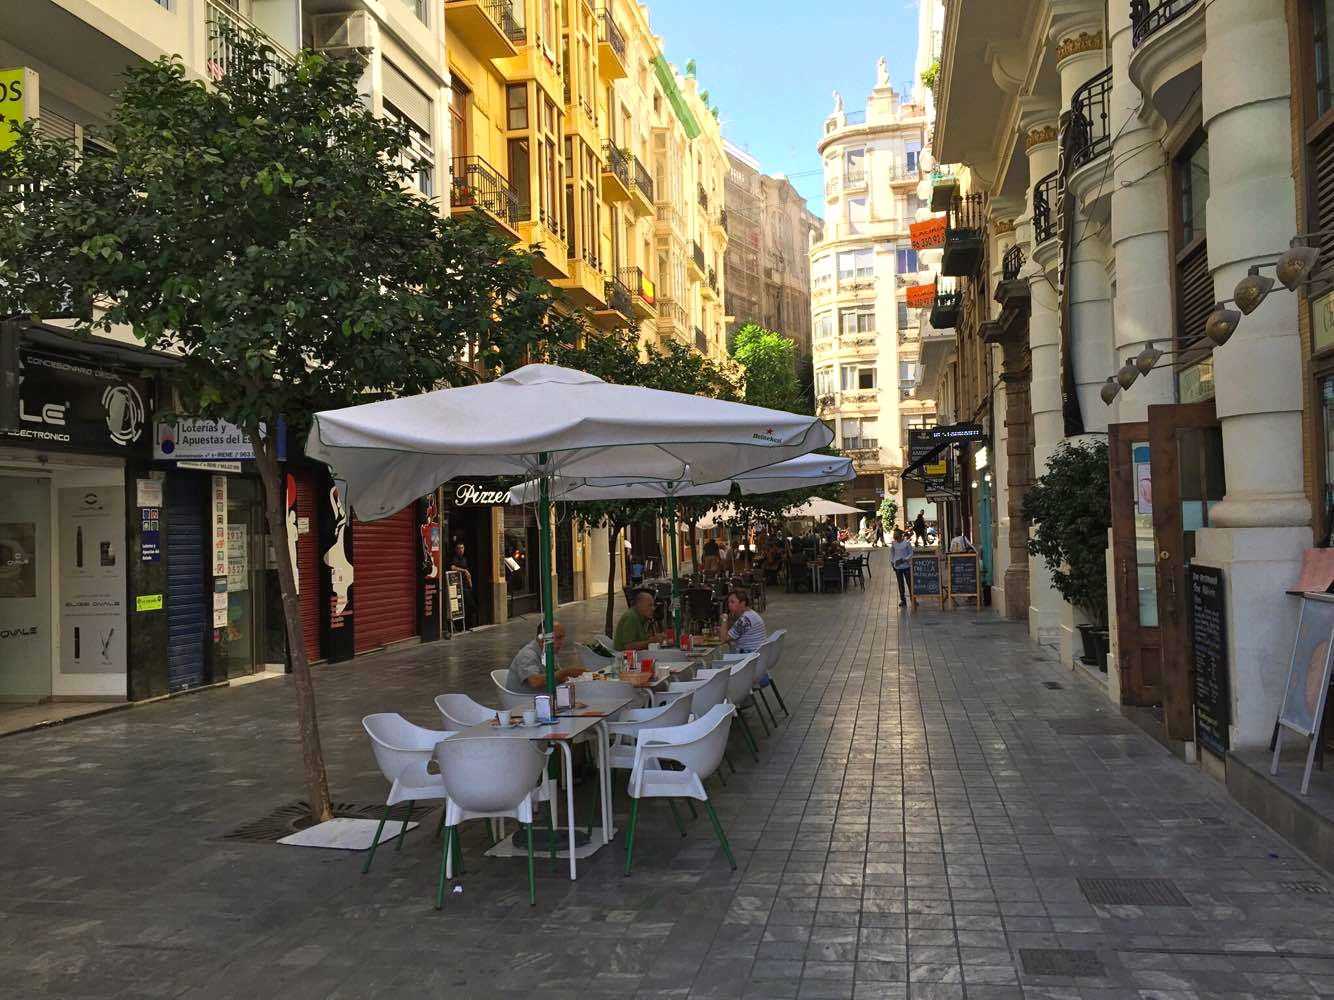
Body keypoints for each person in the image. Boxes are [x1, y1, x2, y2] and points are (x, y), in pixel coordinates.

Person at [506, 622, 584, 690]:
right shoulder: (528, 655)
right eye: (558, 638)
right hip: (525, 699)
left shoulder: (549, 652)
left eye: (562, 638)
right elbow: (535, 682)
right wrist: (565, 672)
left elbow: (557, 676)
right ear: (542, 638)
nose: (561, 642)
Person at [723, 588, 767, 654]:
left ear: (742, 603)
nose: (729, 605)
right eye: (728, 602)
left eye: (732, 602)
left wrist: (724, 619)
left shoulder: (744, 620)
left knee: (718, 656)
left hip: (748, 655)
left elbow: (724, 639)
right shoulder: (751, 614)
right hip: (757, 653)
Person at [449, 541, 475, 629]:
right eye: (459, 548)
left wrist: (470, 583)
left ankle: (468, 624)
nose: (461, 550)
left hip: (466, 585)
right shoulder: (454, 558)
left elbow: (468, 573)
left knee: (470, 605)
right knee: (461, 606)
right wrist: (464, 570)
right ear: (456, 549)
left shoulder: (465, 558)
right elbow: (452, 567)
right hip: (458, 585)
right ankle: (460, 626)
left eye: (462, 548)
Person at [890, 530, 914, 607]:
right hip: (897, 566)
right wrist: (892, 562)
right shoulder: (894, 544)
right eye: (895, 537)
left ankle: (913, 599)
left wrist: (905, 559)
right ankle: (903, 600)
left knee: (910, 583)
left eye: (897, 536)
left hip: (906, 566)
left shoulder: (907, 543)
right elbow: (892, 553)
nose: (896, 539)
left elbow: (911, 553)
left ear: (901, 536)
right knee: (900, 584)